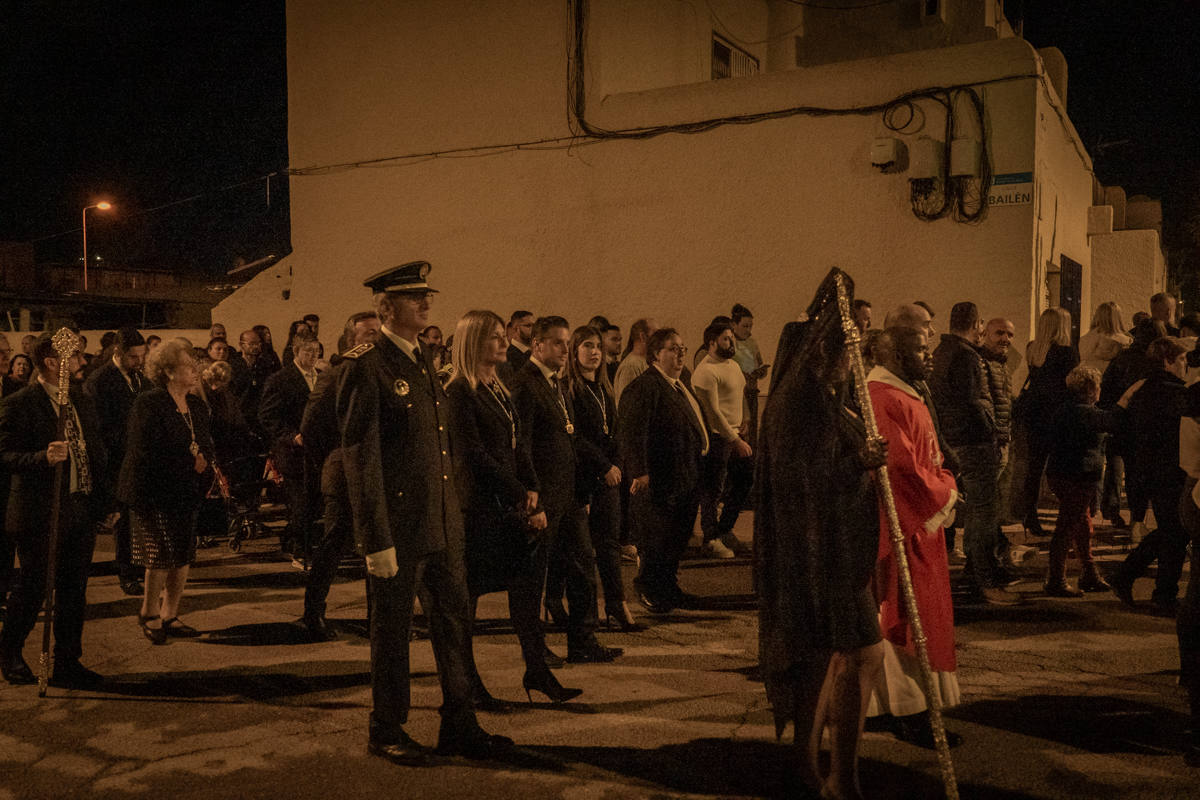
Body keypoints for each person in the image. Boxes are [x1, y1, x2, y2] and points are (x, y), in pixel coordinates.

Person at [338, 261, 512, 765]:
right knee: (391, 633)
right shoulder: (365, 365)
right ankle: (385, 727)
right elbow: (360, 457)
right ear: (386, 308)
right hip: (398, 529)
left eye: (426, 295)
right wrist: (375, 539)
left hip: (439, 523)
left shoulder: (424, 360)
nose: (426, 303)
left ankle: (459, 722)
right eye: (414, 297)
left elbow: (440, 451)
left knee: (454, 623)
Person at [756, 271, 886, 799]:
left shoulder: (830, 398)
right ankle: (819, 772)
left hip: (840, 549)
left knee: (845, 658)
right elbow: (801, 482)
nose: (849, 360)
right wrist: (859, 461)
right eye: (843, 349)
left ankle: (835, 772)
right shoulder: (799, 403)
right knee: (839, 657)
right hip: (818, 554)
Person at [446, 310, 582, 705]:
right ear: (473, 343)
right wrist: (519, 488)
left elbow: (518, 444)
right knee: (466, 602)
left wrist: (532, 486)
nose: (505, 343)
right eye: (494, 338)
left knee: (526, 590)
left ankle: (537, 671)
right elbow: (473, 453)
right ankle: (466, 682)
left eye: (504, 336)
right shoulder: (459, 391)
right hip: (480, 509)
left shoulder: (497, 386)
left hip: (508, 505)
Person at [866, 327, 962, 749]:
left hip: (920, 526)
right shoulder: (882, 398)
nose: (930, 357)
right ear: (899, 356)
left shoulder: (907, 393)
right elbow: (902, 469)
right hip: (903, 528)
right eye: (921, 349)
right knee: (904, 617)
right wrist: (945, 489)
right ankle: (908, 710)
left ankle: (889, 706)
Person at [0, 332, 111, 688]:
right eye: (75, 356)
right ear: (51, 363)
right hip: (40, 511)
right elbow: (4, 454)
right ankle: (10, 652)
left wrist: (104, 502)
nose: (82, 362)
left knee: (73, 590)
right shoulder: (20, 403)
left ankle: (67, 659)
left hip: (79, 506)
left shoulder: (81, 399)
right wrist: (40, 458)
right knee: (33, 587)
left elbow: (96, 451)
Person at [511, 316, 619, 663]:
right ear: (537, 345)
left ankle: (582, 639)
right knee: (534, 577)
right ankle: (536, 648)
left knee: (583, 565)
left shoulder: (556, 383)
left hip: (569, 495)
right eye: (557, 342)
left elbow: (570, 440)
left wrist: (582, 493)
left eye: (566, 342)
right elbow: (522, 446)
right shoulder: (525, 384)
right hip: (543, 497)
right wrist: (532, 496)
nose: (564, 349)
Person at [118, 338, 213, 645]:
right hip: (153, 490)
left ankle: (170, 613)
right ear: (170, 372)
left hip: (186, 490)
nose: (196, 369)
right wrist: (189, 462)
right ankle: (149, 611)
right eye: (189, 365)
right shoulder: (150, 402)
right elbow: (144, 449)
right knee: (159, 554)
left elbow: (206, 440)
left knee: (183, 554)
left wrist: (203, 460)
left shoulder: (196, 404)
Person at [298, 311, 381, 640]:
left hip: (376, 472)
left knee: (378, 546)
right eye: (367, 334)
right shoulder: (337, 373)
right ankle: (313, 610)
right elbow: (310, 426)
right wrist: (336, 456)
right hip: (345, 471)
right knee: (336, 541)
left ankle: (379, 621)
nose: (374, 338)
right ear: (351, 341)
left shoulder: (384, 371)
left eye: (378, 332)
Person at [618, 327, 708, 614]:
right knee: (657, 539)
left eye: (682, 347)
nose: (681, 353)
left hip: (686, 475)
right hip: (661, 479)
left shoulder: (680, 383)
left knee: (676, 538)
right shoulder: (645, 387)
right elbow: (633, 433)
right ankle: (649, 588)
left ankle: (669, 587)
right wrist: (640, 471)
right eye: (672, 348)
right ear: (656, 354)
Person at [930, 302, 1014, 604]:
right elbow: (975, 401)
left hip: (955, 439)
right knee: (983, 511)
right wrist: (993, 432)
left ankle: (974, 571)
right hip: (974, 442)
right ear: (977, 324)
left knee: (977, 509)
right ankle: (984, 577)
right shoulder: (966, 357)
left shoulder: (942, 353)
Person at [1110, 337, 1197, 616]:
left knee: (1174, 531)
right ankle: (1161, 593)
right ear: (1167, 360)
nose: (1186, 365)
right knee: (1175, 532)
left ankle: (1134, 577)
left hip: (1152, 470)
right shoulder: (1171, 394)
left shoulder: (1146, 389)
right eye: (1182, 359)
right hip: (1168, 471)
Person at [561, 325, 639, 630]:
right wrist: (603, 466)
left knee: (608, 545)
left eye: (597, 347)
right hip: (586, 477)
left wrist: (617, 465)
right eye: (587, 346)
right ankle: (575, 610)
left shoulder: (604, 388)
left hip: (610, 477)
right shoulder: (571, 389)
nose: (594, 352)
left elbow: (615, 432)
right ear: (575, 351)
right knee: (579, 551)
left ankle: (617, 604)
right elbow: (576, 436)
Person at [1044, 366, 1134, 596]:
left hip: (1062, 473)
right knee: (1067, 526)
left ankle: (1089, 572)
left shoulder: (1064, 410)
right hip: (1078, 476)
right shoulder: (1085, 413)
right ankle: (1056, 579)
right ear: (1093, 389)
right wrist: (1126, 397)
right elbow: (1112, 420)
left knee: (1082, 524)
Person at [83, 327, 150, 596]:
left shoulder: (140, 379)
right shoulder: (100, 382)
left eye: (142, 356)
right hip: (117, 460)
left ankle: (141, 564)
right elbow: (98, 426)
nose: (139, 361)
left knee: (139, 517)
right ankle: (127, 571)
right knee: (123, 520)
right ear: (118, 353)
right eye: (134, 357)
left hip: (139, 458)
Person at [691, 321, 752, 559]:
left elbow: (742, 394)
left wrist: (746, 417)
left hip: (737, 433)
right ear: (712, 343)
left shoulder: (734, 366)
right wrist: (734, 439)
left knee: (746, 479)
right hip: (718, 439)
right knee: (712, 489)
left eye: (732, 338)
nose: (732, 342)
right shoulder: (706, 371)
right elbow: (712, 412)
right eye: (726, 339)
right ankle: (710, 537)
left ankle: (725, 528)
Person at [1099, 317, 1166, 534]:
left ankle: (1119, 511)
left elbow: (1106, 388)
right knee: (1141, 474)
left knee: (1121, 466)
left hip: (1122, 420)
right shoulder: (1160, 360)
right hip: (1147, 425)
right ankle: (1138, 521)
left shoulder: (1123, 358)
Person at [259, 333, 322, 562]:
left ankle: (295, 539)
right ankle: (300, 549)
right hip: (292, 452)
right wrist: (290, 435)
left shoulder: (320, 376)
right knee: (300, 501)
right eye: (308, 351)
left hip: (316, 451)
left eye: (316, 351)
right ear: (296, 352)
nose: (313, 356)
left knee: (315, 500)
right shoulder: (280, 380)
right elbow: (267, 416)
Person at [1017, 307, 1079, 537]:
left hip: (1034, 412)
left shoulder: (1033, 349)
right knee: (1062, 467)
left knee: (1034, 466)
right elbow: (1072, 384)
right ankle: (1068, 518)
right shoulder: (1066, 352)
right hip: (1057, 414)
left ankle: (1029, 515)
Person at [731, 304, 767, 448]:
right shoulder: (730, 342)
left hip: (752, 390)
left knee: (752, 431)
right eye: (745, 326)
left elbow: (759, 362)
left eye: (750, 326)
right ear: (734, 324)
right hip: (739, 394)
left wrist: (761, 371)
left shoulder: (752, 342)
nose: (748, 330)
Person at [229, 328, 273, 441]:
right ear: (241, 345)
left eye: (258, 343)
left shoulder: (265, 365)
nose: (256, 347)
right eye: (252, 344)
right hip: (240, 414)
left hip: (259, 414)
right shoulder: (234, 365)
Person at [1078, 302, 1131, 374]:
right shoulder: (1124, 340)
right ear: (1117, 317)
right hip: (1107, 380)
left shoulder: (1085, 338)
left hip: (1084, 377)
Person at [612, 318, 656, 405]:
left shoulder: (644, 362)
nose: (659, 339)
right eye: (655, 334)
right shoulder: (631, 366)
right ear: (643, 337)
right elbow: (628, 405)